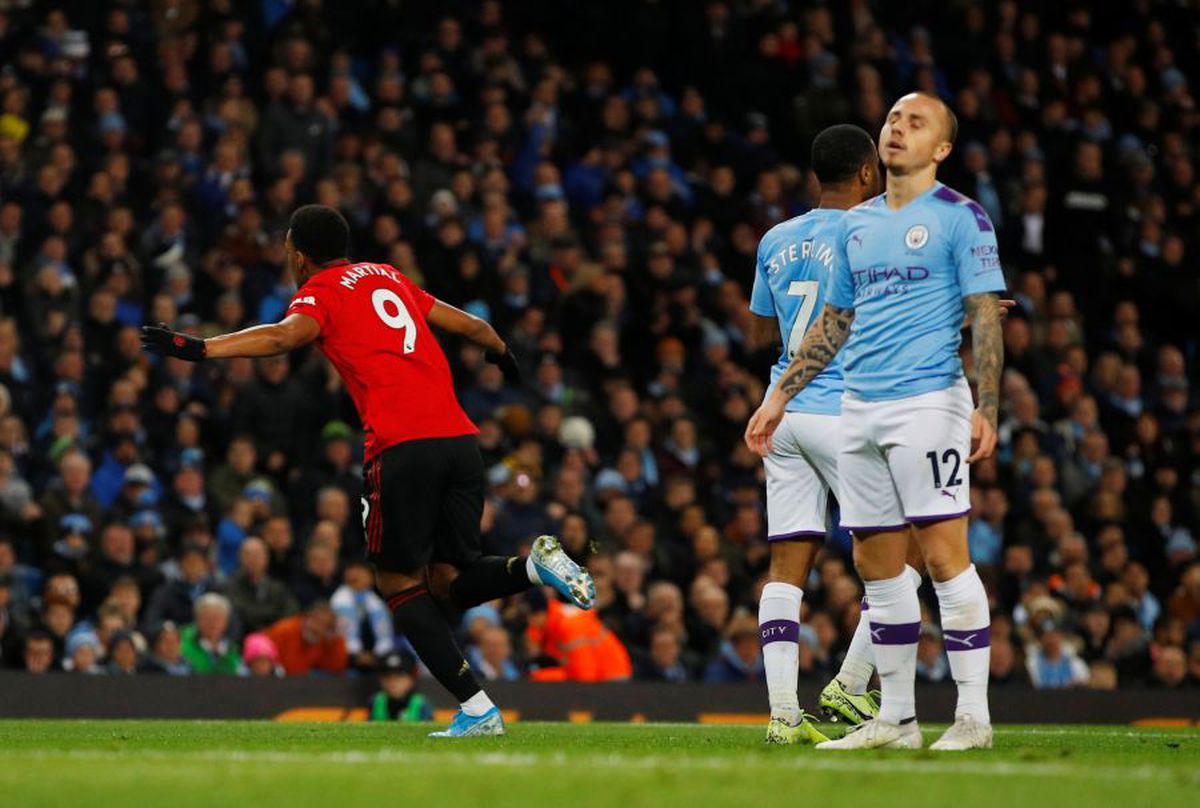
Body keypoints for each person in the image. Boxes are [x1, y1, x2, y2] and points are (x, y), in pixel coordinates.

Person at [143, 204, 595, 737]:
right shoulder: (390, 275)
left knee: (399, 584)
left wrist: (201, 348)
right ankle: (533, 570)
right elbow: (473, 325)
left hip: (403, 448)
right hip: (460, 442)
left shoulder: (321, 290)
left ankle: (478, 710)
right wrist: (500, 353)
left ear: (298, 253)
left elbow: (283, 338)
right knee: (450, 581)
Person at [746, 93, 1005, 751]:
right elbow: (838, 321)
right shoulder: (860, 228)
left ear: (941, 148)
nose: (898, 128)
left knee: (933, 558)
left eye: (915, 121)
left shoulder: (955, 218)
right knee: (886, 563)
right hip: (848, 408)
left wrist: (986, 403)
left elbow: (977, 313)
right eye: (893, 119)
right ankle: (888, 711)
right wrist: (780, 395)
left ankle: (966, 717)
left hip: (903, 404)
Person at [747, 123, 890, 744]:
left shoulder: (775, 239)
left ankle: (782, 714)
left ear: (814, 176)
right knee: (904, 555)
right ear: (866, 173)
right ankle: (851, 684)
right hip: (844, 412)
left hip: (783, 412)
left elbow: (759, 335)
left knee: (785, 565)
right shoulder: (872, 231)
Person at [263, 600, 348, 676]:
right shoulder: (285, 629)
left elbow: (336, 668)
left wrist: (337, 639)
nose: (318, 628)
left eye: (325, 625)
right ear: (306, 618)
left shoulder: (326, 639)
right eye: (316, 621)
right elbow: (260, 654)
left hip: (302, 680)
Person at [369, 652, 434, 721]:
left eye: (399, 677)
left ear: (411, 679)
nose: (393, 682)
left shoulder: (420, 704)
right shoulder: (376, 701)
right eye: (388, 677)